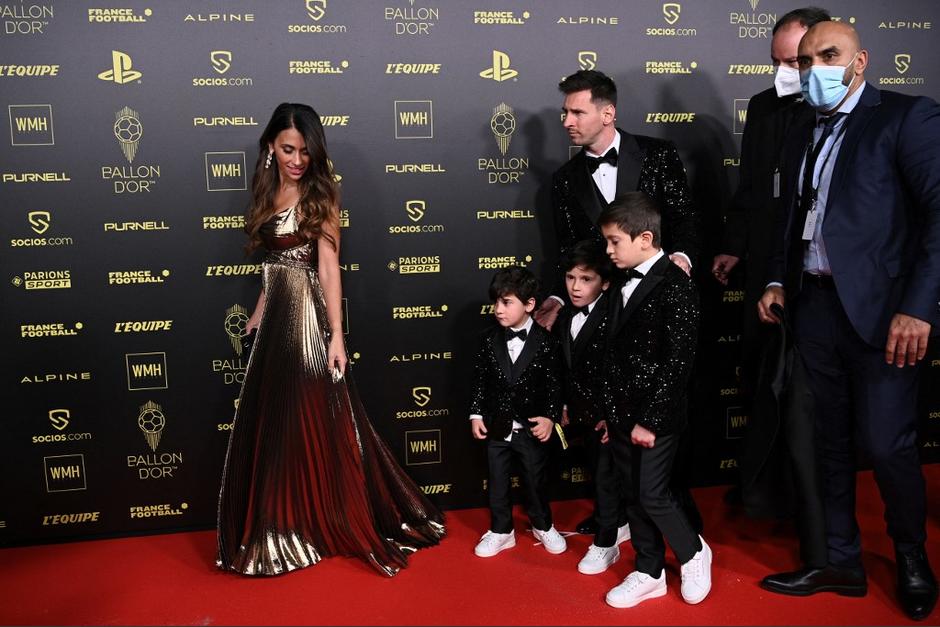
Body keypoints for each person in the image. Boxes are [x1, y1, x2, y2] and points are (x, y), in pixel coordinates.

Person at [757, 21, 939, 621]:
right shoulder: (802, 127)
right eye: (806, 61)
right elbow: (794, 213)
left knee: (888, 446)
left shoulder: (906, 118)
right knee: (827, 443)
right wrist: (779, 279)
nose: (816, 70)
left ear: (859, 61)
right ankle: (840, 560)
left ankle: (911, 556)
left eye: (828, 55)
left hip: (886, 316)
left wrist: (917, 307)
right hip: (813, 307)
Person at [216, 103, 445, 577]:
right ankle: (281, 520)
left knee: (310, 416)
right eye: (287, 149)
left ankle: (317, 520)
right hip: (275, 314)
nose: (297, 160)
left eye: (304, 151)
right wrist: (258, 311)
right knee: (275, 422)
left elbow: (326, 268)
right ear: (269, 148)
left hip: (305, 318)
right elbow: (274, 263)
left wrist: (336, 335)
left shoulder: (322, 195)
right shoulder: (266, 188)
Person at [538, 69, 702, 537]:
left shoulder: (657, 154)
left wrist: (682, 262)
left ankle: (675, 509)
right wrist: (557, 295)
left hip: (656, 296)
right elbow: (566, 248)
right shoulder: (565, 179)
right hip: (601, 307)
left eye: (576, 111)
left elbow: (685, 218)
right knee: (602, 411)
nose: (566, 120)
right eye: (564, 111)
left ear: (607, 112)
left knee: (661, 403)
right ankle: (616, 512)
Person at [711, 9, 830, 510]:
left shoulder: (836, 109)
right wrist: (734, 244)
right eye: (775, 61)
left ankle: (812, 500)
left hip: (815, 270)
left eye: (795, 61)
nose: (784, 71)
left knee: (808, 387)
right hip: (763, 264)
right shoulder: (762, 106)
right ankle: (760, 490)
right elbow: (752, 185)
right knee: (761, 377)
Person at [599, 192, 711, 608]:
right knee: (632, 493)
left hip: (656, 416)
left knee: (652, 493)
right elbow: (611, 353)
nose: (608, 250)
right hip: (620, 412)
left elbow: (678, 362)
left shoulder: (676, 284)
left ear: (645, 238)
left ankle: (694, 553)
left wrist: (650, 419)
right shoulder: (619, 282)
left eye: (615, 242)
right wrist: (610, 413)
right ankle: (648, 570)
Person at [469, 266, 567, 558]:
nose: (498, 309)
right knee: (497, 481)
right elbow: (480, 380)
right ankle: (501, 531)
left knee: (535, 481)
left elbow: (554, 384)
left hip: (531, 427)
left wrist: (550, 417)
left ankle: (542, 525)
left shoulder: (547, 342)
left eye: (507, 302)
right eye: (496, 301)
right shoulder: (488, 339)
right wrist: (476, 414)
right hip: (497, 425)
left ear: (529, 304)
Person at [553, 239, 630, 574]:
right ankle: (614, 521)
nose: (575, 287)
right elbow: (564, 367)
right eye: (571, 278)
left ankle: (606, 543)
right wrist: (565, 404)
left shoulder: (616, 317)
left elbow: (620, 370)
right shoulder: (564, 315)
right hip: (581, 411)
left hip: (607, 415)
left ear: (606, 282)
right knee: (599, 473)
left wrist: (610, 416)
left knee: (606, 477)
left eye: (586, 280)